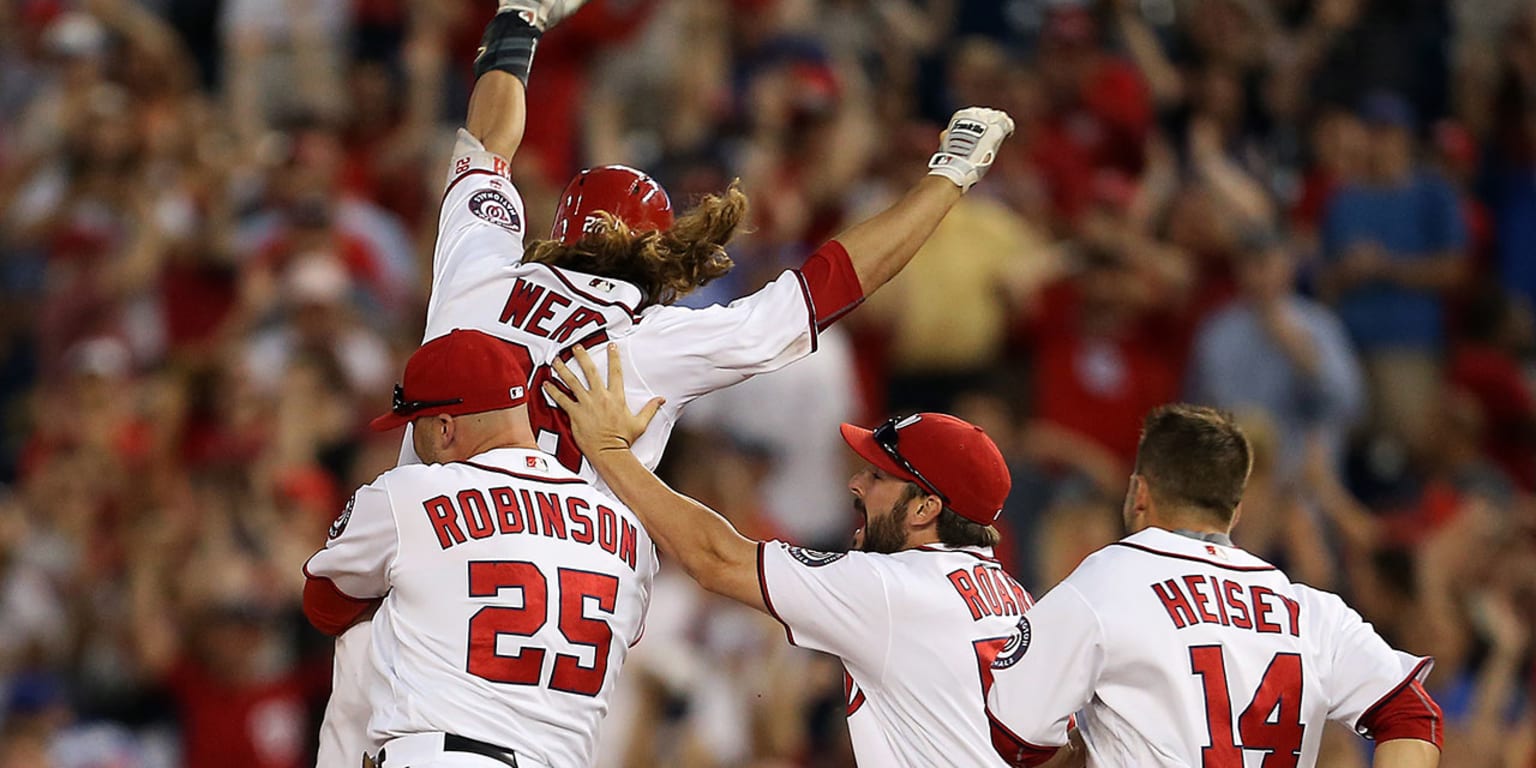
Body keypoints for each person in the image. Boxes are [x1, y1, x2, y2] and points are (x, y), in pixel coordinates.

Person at [319, 0, 1017, 762]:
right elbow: (824, 289)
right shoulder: (651, 340)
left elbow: (489, 142)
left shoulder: (478, 272)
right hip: (559, 627)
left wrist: (517, 27)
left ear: (565, 229)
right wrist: (947, 180)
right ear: (658, 260)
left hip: (407, 598)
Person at [543, 344, 1080, 768]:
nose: (855, 483)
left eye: (878, 477)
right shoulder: (1016, 599)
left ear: (925, 508)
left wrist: (609, 451)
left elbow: (715, 558)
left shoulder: (892, 586)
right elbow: (1057, 748)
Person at [983, 404, 1444, 767]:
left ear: (1139, 493)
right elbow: (1412, 714)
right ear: (1235, 511)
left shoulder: (1103, 582)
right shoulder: (1310, 611)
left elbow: (1016, 735)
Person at [302, 329, 658, 768]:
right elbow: (622, 634)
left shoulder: (409, 493)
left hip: (443, 756)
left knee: (368, 631)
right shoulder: (628, 526)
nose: (414, 443)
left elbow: (326, 607)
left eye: (415, 427)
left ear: (445, 428)